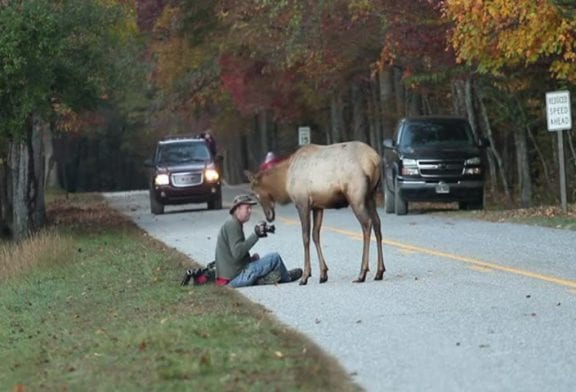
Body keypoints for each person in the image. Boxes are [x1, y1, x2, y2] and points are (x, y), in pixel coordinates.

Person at [214, 194, 302, 287]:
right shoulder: (233, 224)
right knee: (274, 258)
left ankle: (262, 279)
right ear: (238, 208)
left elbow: (234, 255)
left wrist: (250, 260)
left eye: (250, 208)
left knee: (258, 261)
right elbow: (237, 253)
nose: (250, 211)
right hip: (235, 278)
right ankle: (287, 277)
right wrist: (256, 235)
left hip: (230, 277)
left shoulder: (231, 222)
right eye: (247, 208)